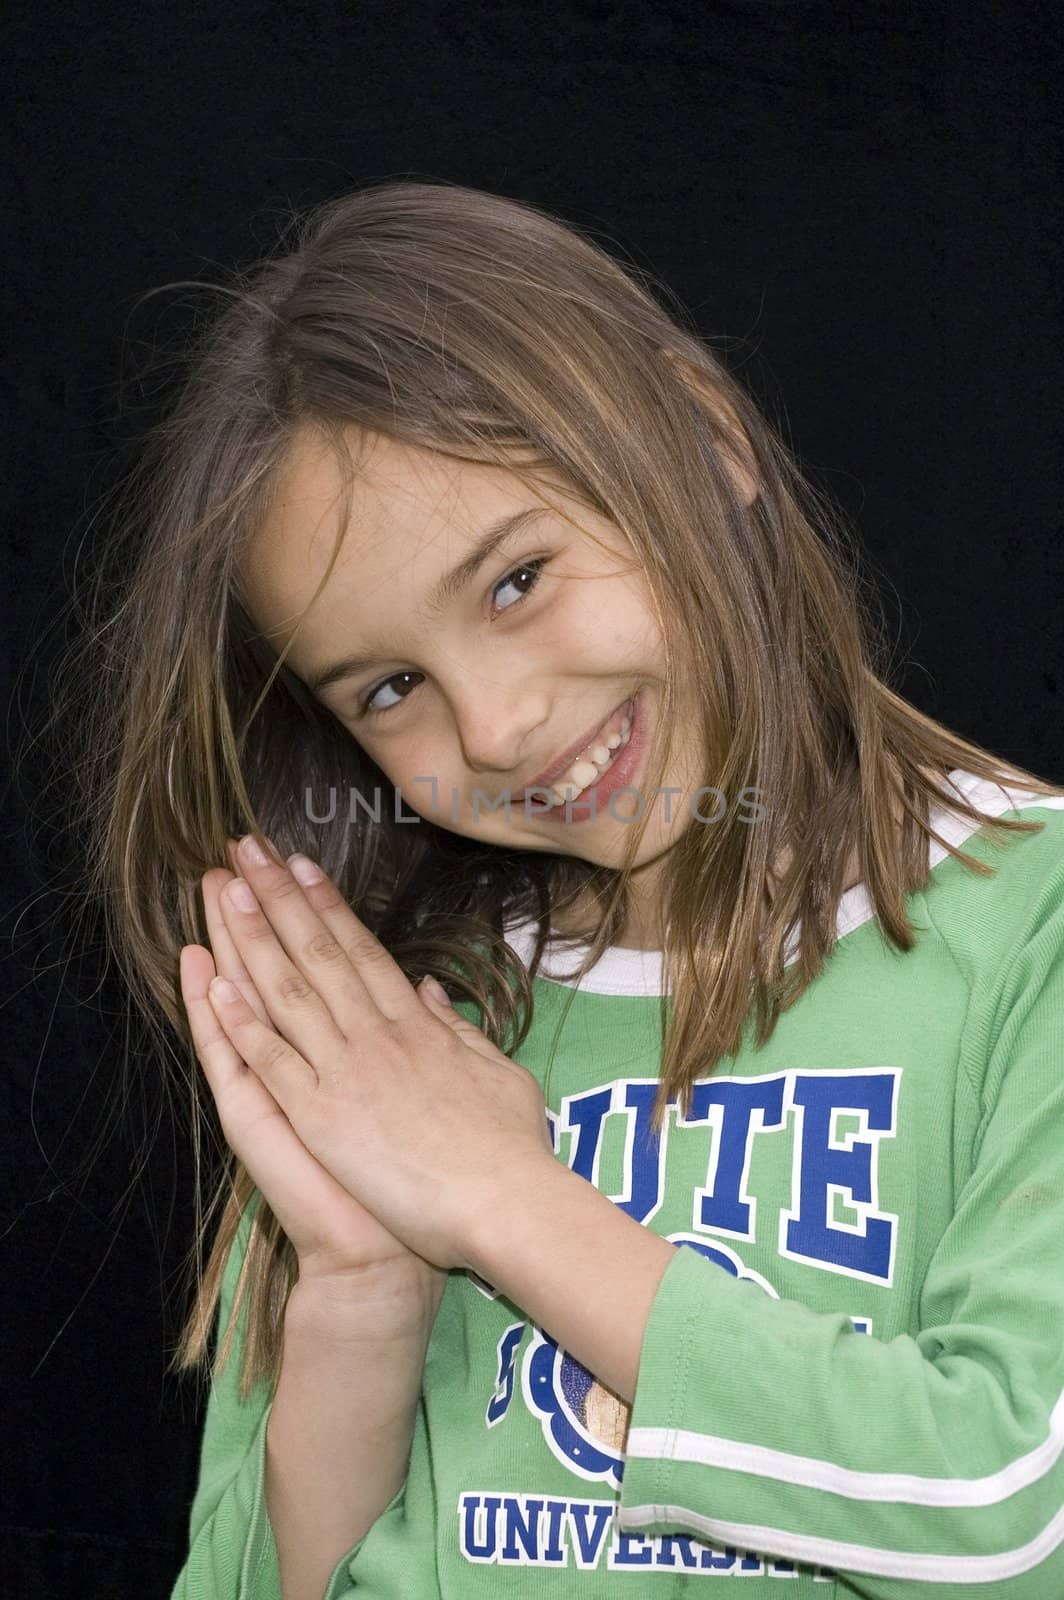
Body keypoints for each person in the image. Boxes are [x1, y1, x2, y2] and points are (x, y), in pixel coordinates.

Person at [60, 179, 1064, 1598]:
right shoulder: (404, 1032)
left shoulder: (1035, 921)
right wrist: (361, 1291)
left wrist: (502, 1201)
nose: (497, 729)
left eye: (516, 579)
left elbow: (1017, 1512)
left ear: (710, 442)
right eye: (393, 687)